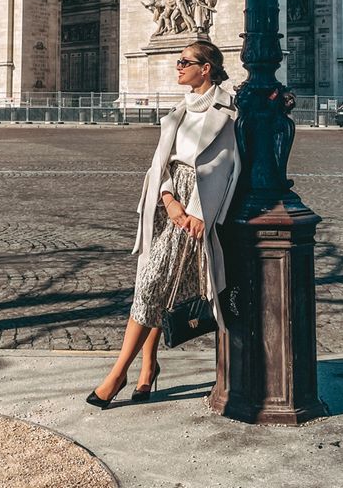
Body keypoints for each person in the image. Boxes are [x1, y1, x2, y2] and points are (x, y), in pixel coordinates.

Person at [87, 40, 240, 409]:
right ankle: (148, 366)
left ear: (206, 68)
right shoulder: (180, 110)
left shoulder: (228, 111)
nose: (177, 67)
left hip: (198, 212)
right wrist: (170, 201)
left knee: (155, 283)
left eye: (184, 61)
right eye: (176, 60)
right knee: (156, 283)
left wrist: (201, 214)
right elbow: (165, 163)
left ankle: (117, 373)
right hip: (168, 205)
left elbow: (230, 168)